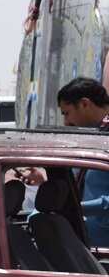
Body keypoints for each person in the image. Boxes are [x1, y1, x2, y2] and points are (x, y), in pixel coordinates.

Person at [57, 77, 109, 247]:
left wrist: (78, 207)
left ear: (85, 104)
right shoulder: (95, 135)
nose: (66, 122)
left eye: (67, 113)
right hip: (88, 244)